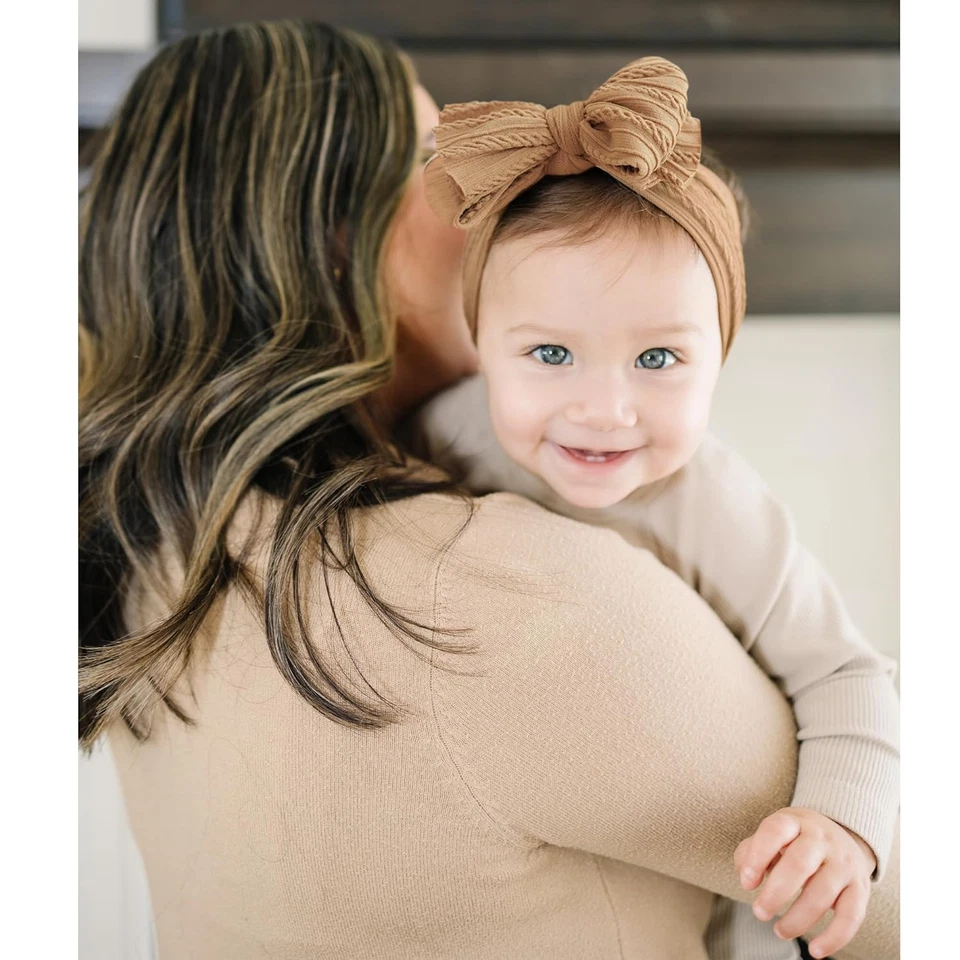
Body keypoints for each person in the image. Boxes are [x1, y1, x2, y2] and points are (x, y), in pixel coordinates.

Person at [79, 22, 898, 960]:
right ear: (343, 244)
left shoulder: (157, 546)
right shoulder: (493, 596)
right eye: (439, 162)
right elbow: (898, 913)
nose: (486, 198)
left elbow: (847, 691)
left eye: (659, 356)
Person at [413, 58, 900, 960]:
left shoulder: (712, 503)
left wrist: (842, 827)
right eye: (551, 355)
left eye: (659, 360)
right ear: (481, 343)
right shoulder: (438, 440)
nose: (604, 409)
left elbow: (849, 677)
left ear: (720, 358)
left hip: (684, 897)